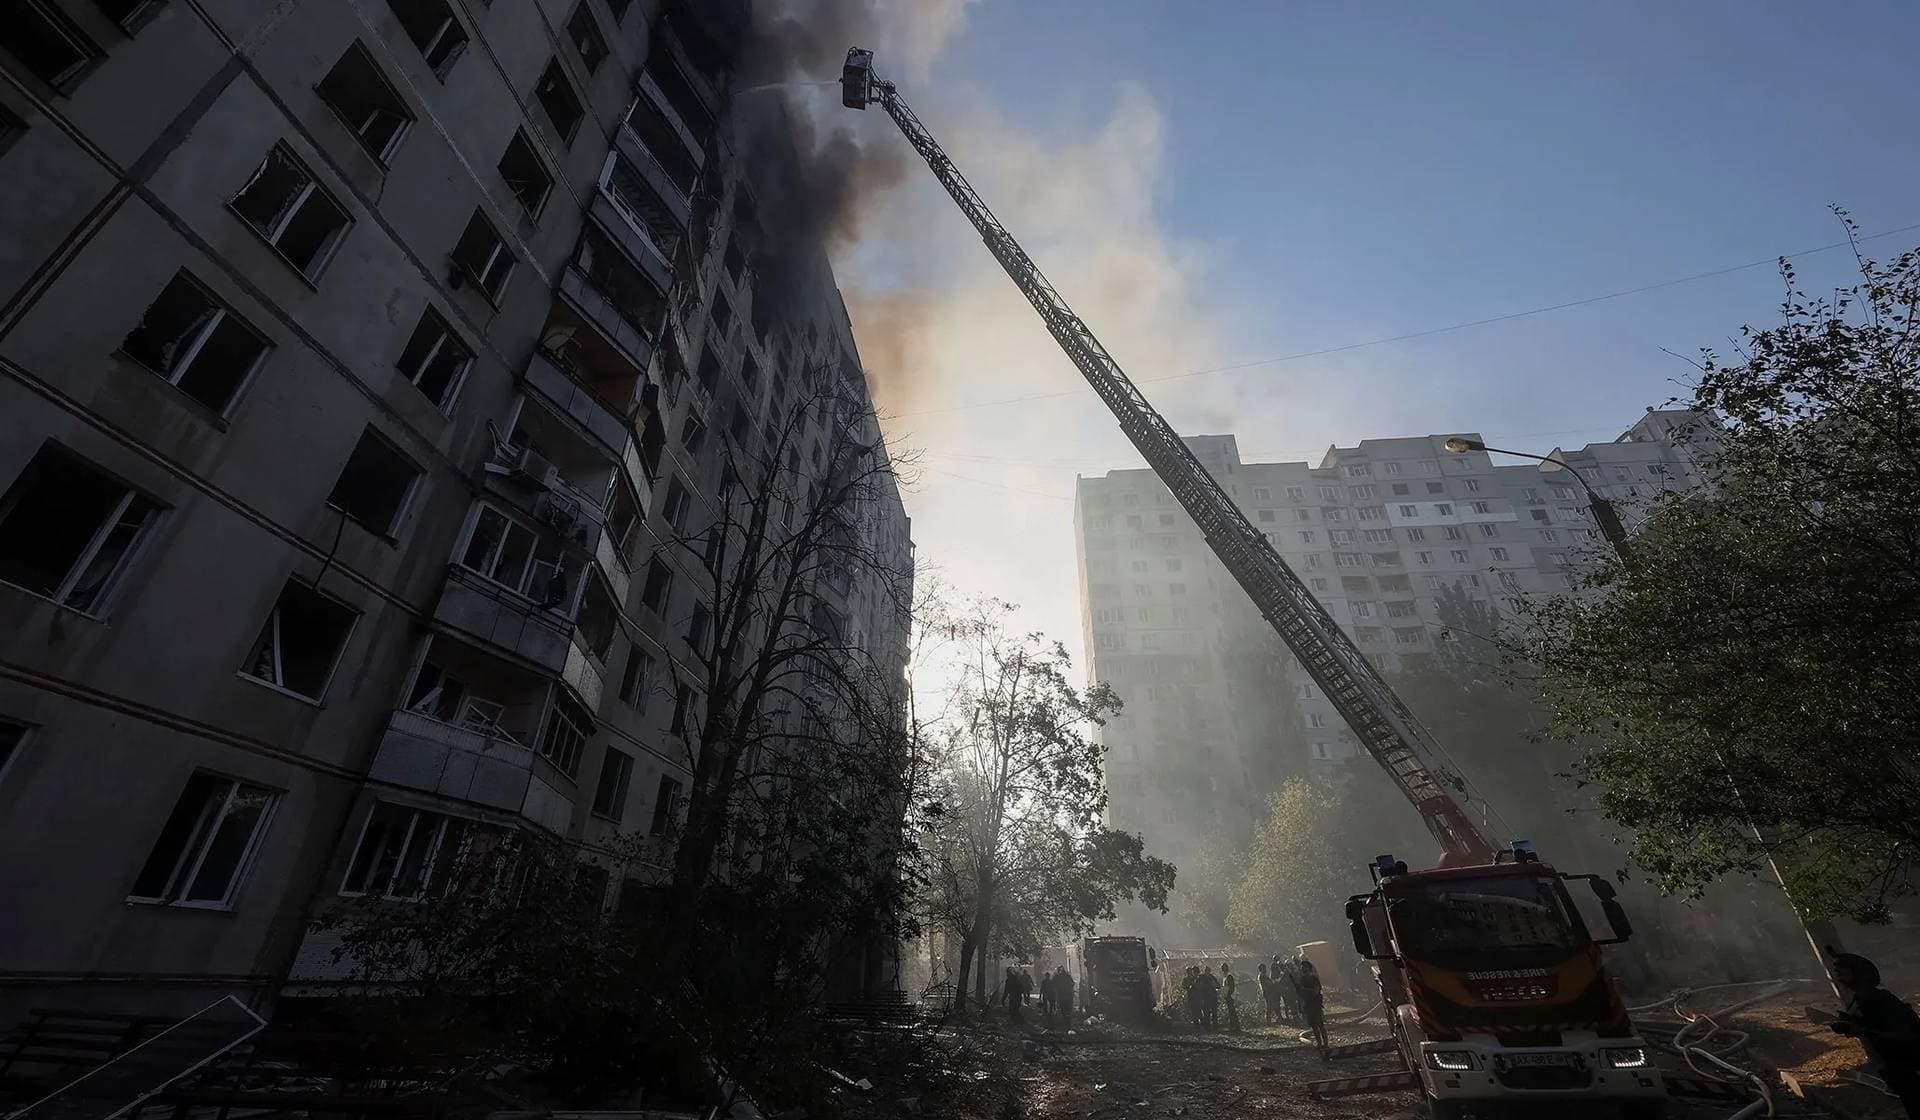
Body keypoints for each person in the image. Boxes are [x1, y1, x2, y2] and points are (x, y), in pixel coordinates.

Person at [1829, 949, 1920, 1118]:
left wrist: (1861, 1030)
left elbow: (1904, 1035)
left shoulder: (1879, 1000)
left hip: (1910, 1064)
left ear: (1858, 973)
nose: (1838, 977)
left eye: (1842, 973)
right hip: (1898, 1065)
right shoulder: (1863, 998)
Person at [1296, 953, 1328, 1055]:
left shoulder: (1313, 978)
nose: (1302, 968)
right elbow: (1300, 994)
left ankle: (1325, 1043)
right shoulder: (1302, 980)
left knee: (1320, 1025)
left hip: (1315, 1004)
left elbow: (1316, 991)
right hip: (1308, 1005)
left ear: (1308, 968)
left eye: (1304, 966)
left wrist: (1304, 990)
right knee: (1314, 1026)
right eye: (1302, 966)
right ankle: (1319, 1043)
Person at [1054, 966, 1076, 1030]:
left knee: (1064, 1009)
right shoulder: (1067, 976)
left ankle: (1066, 1021)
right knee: (1067, 1009)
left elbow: (1054, 985)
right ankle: (1068, 1022)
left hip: (1062, 996)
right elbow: (1072, 983)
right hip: (1067, 995)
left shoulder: (1057, 977)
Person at [1222, 963, 1240, 1032]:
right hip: (1228, 996)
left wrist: (1229, 995)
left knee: (1232, 1011)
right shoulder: (1225, 976)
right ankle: (1233, 1026)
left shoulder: (1229, 976)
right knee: (1231, 1011)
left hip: (1230, 996)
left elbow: (1232, 987)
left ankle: (1235, 1026)